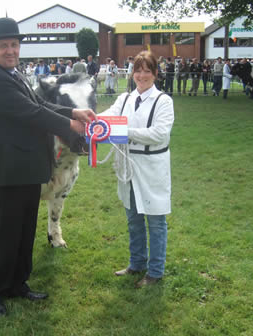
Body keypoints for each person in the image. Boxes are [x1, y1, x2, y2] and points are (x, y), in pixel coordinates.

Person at [0, 17, 97, 318]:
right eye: (3, 45)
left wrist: (73, 110)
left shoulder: (13, 74)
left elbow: (41, 105)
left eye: (14, 45)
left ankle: (19, 283)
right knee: (7, 235)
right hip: (8, 171)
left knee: (25, 231)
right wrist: (70, 123)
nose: (10, 50)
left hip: (29, 168)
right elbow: (31, 112)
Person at [99, 51, 174, 287]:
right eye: (138, 70)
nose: (142, 75)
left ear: (155, 74)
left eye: (147, 71)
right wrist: (88, 119)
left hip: (151, 168)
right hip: (128, 166)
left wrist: (125, 131)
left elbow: (159, 134)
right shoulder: (124, 99)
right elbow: (107, 117)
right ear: (132, 73)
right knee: (133, 219)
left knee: (155, 221)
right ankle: (137, 263)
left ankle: (155, 272)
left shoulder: (164, 101)